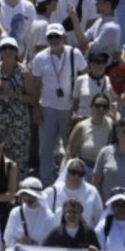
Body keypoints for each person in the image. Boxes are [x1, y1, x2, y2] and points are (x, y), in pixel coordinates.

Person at [30, 23, 88, 185]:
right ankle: (47, 180)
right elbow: (36, 86)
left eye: (57, 36)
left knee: (71, 146)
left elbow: (85, 76)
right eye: (50, 37)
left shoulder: (74, 53)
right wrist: (36, 110)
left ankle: (69, 178)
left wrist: (80, 106)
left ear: (64, 37)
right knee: (46, 147)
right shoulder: (40, 58)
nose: (54, 40)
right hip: (47, 107)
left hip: (70, 109)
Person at [0, 36, 32, 169]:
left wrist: (15, 95)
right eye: (4, 48)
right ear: (0, 52)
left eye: (11, 48)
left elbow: (33, 97)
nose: (7, 51)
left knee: (17, 157)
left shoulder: (24, 72)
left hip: (17, 123)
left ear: (16, 51)